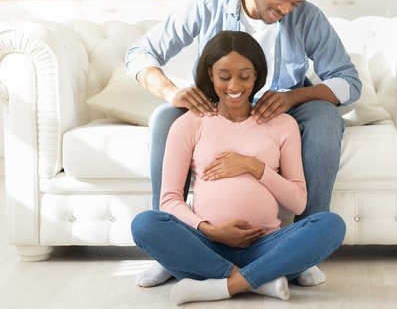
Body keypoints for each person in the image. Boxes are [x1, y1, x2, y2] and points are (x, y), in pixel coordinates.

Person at [125, 0, 361, 287]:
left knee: (326, 117)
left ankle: (299, 247)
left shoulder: (305, 16)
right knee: (165, 117)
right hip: (218, 107)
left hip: (280, 109)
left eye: (295, 3)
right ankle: (174, 249)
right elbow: (140, 52)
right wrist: (170, 91)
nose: (285, 9)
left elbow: (349, 82)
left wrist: (294, 96)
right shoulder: (209, 4)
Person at [131, 30, 346, 305]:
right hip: (206, 246)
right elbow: (169, 200)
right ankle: (256, 281)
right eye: (224, 76)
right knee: (145, 223)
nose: (235, 85)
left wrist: (254, 167)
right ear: (210, 74)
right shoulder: (190, 123)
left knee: (330, 225)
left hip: (266, 247)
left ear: (257, 75)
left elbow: (299, 200)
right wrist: (209, 230)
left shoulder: (282, 124)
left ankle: (222, 285)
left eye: (244, 76)